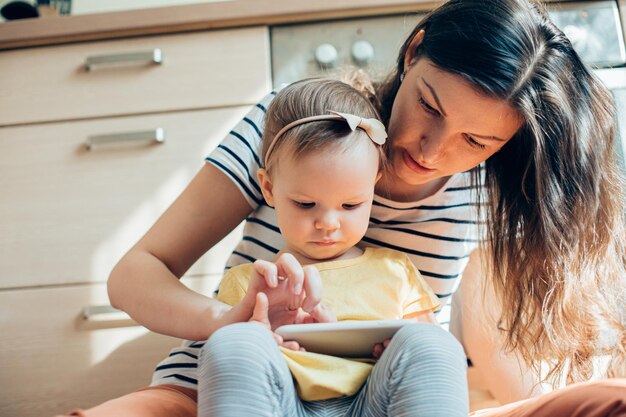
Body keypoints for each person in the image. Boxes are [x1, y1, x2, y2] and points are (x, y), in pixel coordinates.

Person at [61, 0, 626, 416]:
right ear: (413, 50)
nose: (431, 152)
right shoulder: (294, 129)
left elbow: (472, 353)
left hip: (377, 401)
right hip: (221, 388)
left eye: (474, 142)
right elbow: (135, 273)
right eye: (429, 106)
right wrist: (230, 323)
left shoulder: (487, 194)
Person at [193, 77, 467, 416]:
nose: (328, 223)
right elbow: (233, 372)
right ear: (268, 188)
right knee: (231, 343)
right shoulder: (251, 282)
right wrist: (261, 338)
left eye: (350, 206)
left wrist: (393, 354)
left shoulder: (395, 271)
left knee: (434, 344)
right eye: (306, 204)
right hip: (284, 404)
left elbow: (427, 355)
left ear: (372, 188)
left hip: (376, 403)